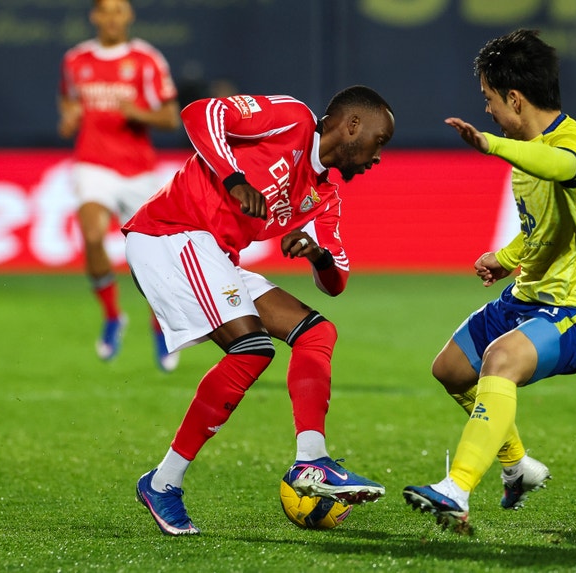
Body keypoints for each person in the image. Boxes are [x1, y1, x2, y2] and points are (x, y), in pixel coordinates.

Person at [123, 85, 395, 535]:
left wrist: (317, 255)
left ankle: (312, 461)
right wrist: (233, 178)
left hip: (213, 252)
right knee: (251, 348)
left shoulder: (324, 195)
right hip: (170, 234)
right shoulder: (290, 118)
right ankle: (163, 483)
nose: (378, 156)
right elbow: (200, 112)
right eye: (378, 141)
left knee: (317, 333)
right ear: (351, 126)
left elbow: (337, 281)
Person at [403, 29, 576, 532]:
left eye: (490, 100)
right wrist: (506, 256)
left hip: (574, 310)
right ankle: (518, 467)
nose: (489, 110)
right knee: (451, 370)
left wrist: (491, 145)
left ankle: (455, 488)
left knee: (500, 360)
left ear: (515, 99)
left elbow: (559, 166)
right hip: (525, 298)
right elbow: (541, 228)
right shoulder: (523, 153)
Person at [58, 0, 181, 372]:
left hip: (138, 172)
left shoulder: (147, 59)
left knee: (153, 260)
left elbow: (170, 117)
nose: (111, 18)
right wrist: (69, 119)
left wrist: (139, 113)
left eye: (118, 10)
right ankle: (113, 316)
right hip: (93, 165)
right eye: (105, 11)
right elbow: (67, 102)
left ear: (129, 16)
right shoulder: (76, 59)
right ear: (94, 16)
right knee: (92, 234)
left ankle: (160, 325)